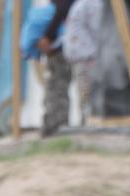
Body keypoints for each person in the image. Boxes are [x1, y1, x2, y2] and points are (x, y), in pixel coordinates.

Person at [37, 0, 78, 136]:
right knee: (56, 88)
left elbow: (61, 9)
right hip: (62, 48)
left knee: (57, 89)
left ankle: (57, 127)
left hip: (62, 49)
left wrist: (47, 36)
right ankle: (55, 125)